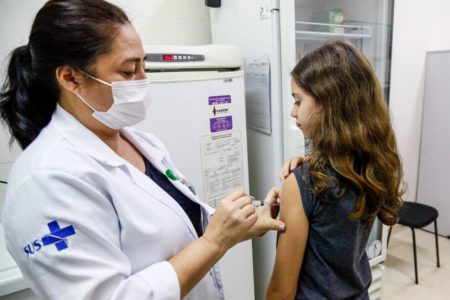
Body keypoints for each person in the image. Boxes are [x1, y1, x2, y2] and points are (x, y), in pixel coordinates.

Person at [0, 1, 285, 299]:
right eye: (129, 70)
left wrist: (243, 222)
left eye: (143, 65)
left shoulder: (140, 142)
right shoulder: (45, 180)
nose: (143, 79)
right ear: (71, 78)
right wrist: (215, 242)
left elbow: (176, 228)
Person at [265, 40, 404, 300]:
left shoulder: (302, 183)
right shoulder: (373, 165)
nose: (292, 112)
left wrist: (298, 186)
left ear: (327, 103)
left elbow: (280, 292)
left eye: (298, 101)